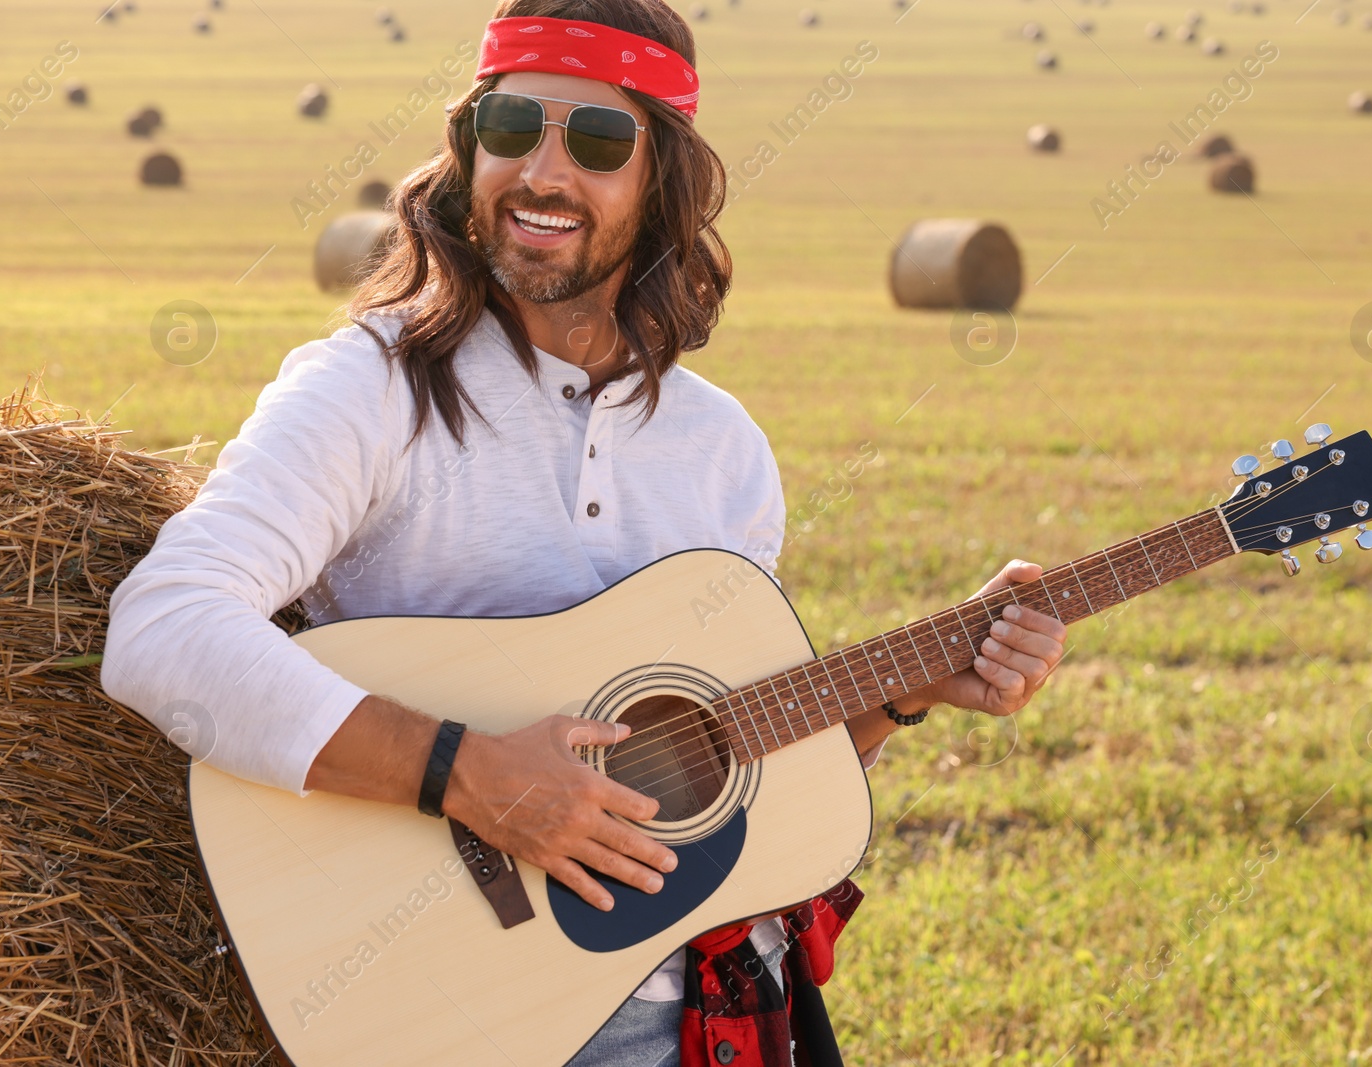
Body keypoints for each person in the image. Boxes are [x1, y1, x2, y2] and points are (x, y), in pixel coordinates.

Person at [100, 2, 1067, 1064]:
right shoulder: (369, 389)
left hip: (716, 1014)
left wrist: (909, 685)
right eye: (513, 127)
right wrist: (464, 771)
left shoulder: (722, 449)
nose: (544, 172)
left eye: (600, 141)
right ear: (468, 153)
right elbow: (164, 627)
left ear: (663, 179)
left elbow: (727, 774)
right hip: (453, 1011)